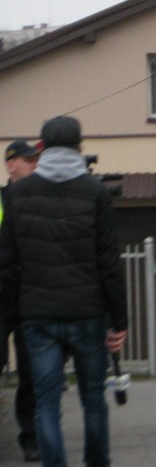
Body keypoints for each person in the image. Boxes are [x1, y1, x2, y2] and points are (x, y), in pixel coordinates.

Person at [0, 116, 128, 467]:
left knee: (45, 402)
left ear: (41, 150)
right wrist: (119, 322)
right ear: (79, 148)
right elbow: (109, 264)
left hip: (37, 316)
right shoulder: (96, 193)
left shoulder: (18, 194)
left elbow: (7, 261)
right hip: (88, 314)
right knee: (93, 398)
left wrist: (11, 315)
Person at [0, 140, 41, 462]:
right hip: (1, 298)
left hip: (28, 297)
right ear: (11, 165)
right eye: (29, 161)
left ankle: (30, 436)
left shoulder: (39, 200)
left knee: (30, 371)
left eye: (35, 159)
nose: (34, 165)